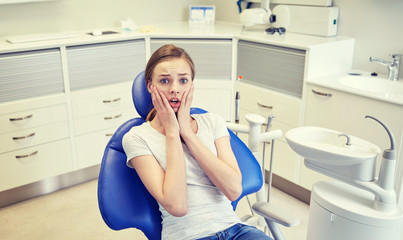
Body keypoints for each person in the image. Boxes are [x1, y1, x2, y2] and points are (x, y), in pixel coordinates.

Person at [122, 44, 272, 240]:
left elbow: (234, 190)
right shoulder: (136, 137)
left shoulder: (212, 122)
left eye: (183, 80)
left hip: (236, 230)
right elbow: (177, 206)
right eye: (164, 80)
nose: (174, 89)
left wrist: (188, 133)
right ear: (150, 85)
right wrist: (173, 133)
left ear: (191, 85)